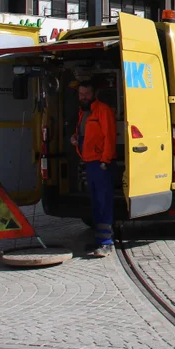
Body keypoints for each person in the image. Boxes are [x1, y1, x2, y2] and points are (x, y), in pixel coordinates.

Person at [70, 82, 117, 258]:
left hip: (101, 163)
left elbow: (109, 136)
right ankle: (100, 239)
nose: (83, 96)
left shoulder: (103, 111)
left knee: (103, 202)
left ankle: (106, 242)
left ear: (94, 93)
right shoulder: (83, 113)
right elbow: (86, 136)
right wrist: (75, 139)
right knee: (96, 202)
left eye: (87, 93)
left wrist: (105, 160)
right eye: (81, 94)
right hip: (90, 163)